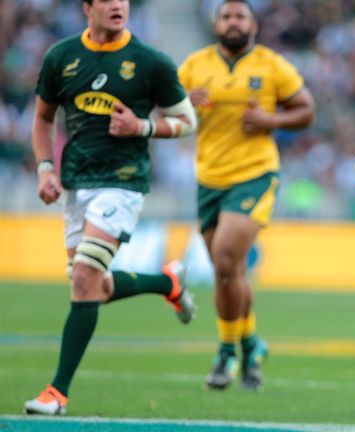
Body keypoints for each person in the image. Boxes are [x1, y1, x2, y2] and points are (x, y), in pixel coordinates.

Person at [23, 0, 198, 416]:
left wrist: (143, 127)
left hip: (124, 182)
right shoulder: (61, 57)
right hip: (75, 183)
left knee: (83, 277)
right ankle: (167, 283)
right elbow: (43, 118)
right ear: (87, 8)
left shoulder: (149, 61)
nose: (118, 4)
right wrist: (45, 169)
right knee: (91, 287)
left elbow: (188, 120)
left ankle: (57, 393)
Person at [178, 0, 316, 391]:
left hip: (255, 175)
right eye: (226, 16)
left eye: (240, 15)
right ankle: (252, 343)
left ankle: (225, 353)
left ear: (253, 24)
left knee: (224, 260)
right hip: (208, 179)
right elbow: (169, 111)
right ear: (215, 24)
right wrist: (186, 104)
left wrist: (271, 120)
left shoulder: (272, 65)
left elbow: (307, 110)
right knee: (231, 272)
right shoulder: (193, 66)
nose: (233, 21)